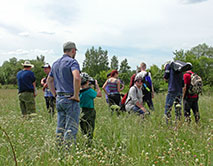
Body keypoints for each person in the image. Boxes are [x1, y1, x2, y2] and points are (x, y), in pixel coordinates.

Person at [47, 41, 81, 146]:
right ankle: (68, 152)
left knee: (60, 127)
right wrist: (76, 94)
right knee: (71, 128)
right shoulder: (72, 62)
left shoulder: (55, 63)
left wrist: (55, 94)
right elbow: (76, 77)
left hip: (59, 98)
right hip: (70, 98)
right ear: (73, 50)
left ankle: (59, 149)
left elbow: (49, 80)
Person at [79, 72, 102, 143]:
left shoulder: (79, 91)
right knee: (90, 129)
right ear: (87, 81)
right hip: (90, 111)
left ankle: (84, 141)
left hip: (81, 111)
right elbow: (99, 94)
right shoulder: (89, 91)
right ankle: (89, 143)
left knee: (83, 130)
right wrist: (96, 85)